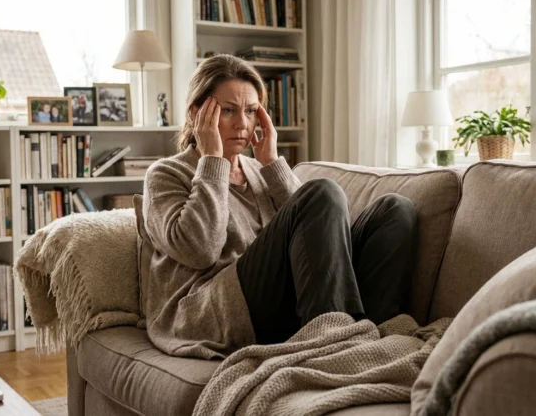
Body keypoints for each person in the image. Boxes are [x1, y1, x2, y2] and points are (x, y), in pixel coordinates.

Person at [142, 54, 418, 360]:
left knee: (396, 210)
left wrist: (271, 163)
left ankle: (368, 337)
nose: (243, 124)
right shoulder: (165, 174)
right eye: (229, 110)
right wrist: (213, 162)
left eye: (250, 111)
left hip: (285, 300)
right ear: (198, 113)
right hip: (221, 309)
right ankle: (333, 346)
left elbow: (313, 240)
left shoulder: (259, 171)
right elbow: (200, 250)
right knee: (322, 192)